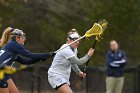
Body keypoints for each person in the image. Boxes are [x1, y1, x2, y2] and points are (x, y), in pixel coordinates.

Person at [0, 27, 54, 93]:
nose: (25, 39)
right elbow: (30, 55)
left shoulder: (11, 47)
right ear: (17, 38)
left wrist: (40, 58)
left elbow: (25, 61)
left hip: (4, 74)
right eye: (23, 36)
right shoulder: (14, 44)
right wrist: (48, 54)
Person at [48, 29, 94, 93]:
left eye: (78, 40)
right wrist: (88, 55)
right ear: (68, 40)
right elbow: (78, 62)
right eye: (75, 40)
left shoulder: (74, 49)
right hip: (55, 75)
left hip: (64, 77)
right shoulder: (66, 49)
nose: (77, 42)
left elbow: (72, 62)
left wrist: (78, 72)